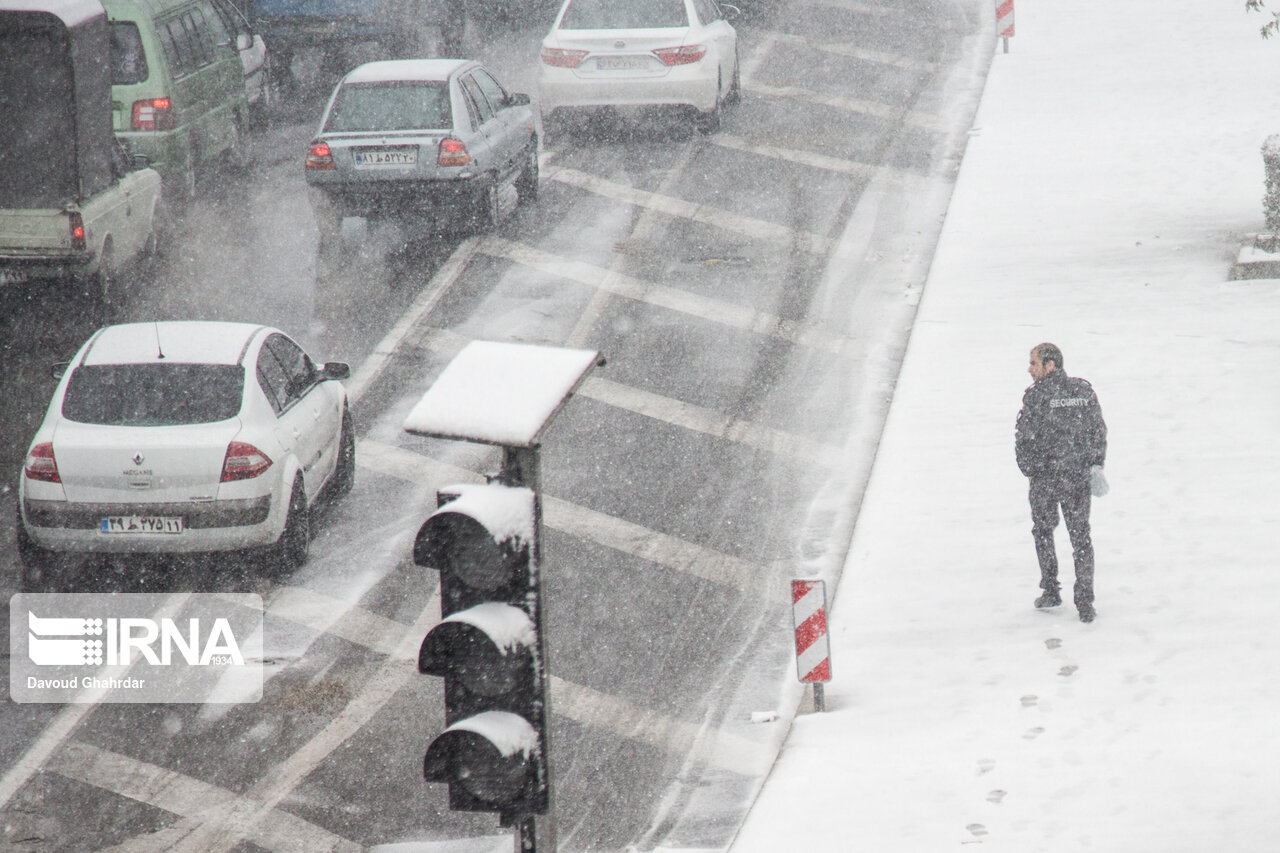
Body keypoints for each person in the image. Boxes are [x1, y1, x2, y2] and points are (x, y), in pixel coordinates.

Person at [1015, 343, 1107, 622]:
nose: (1029, 369)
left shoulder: (1037, 397)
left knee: (1043, 531)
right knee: (1081, 537)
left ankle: (1051, 589)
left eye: (1034, 363)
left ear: (1050, 365)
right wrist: (1095, 465)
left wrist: (1031, 469)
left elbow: (1023, 437)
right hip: (1076, 476)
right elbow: (1097, 430)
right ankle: (1085, 602)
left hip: (1047, 477)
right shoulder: (1083, 391)